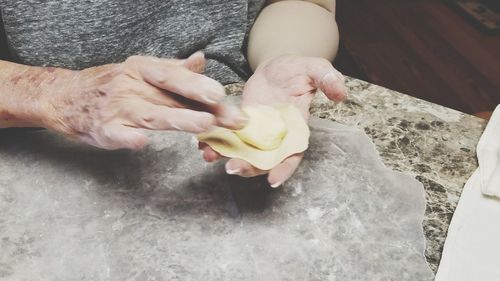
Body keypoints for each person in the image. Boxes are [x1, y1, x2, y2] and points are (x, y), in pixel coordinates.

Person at [0, 0, 346, 187]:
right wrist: (51, 93)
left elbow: (302, 3)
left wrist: (282, 56)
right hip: (47, 144)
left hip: (231, 108)